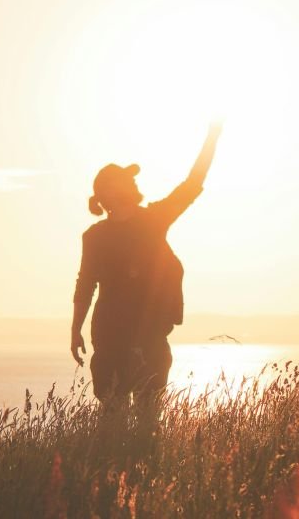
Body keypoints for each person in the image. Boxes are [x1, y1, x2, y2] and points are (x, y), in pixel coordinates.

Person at [71, 123, 223, 404]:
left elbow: (192, 184)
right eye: (126, 180)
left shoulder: (144, 222)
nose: (134, 182)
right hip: (124, 340)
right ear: (110, 192)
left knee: (132, 423)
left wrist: (211, 140)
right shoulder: (113, 231)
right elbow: (85, 285)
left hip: (135, 339)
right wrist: (74, 330)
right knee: (128, 423)